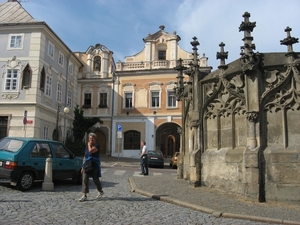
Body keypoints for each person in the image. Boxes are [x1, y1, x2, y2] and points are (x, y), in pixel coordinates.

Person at [78, 133, 104, 202]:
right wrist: (83, 166)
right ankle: (84, 195)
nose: (91, 140)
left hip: (94, 164)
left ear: (95, 139)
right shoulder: (87, 146)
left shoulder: (97, 145)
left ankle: (100, 190)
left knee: (95, 179)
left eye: (92, 138)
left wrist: (89, 145)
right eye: (89, 138)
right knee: (85, 179)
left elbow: (91, 151)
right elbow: (85, 156)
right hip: (87, 164)